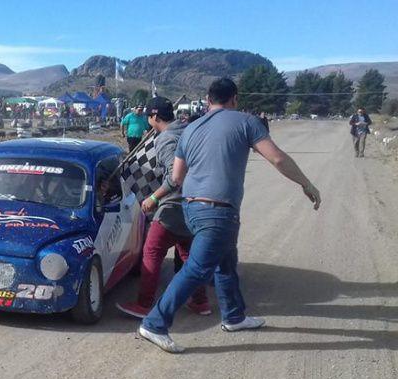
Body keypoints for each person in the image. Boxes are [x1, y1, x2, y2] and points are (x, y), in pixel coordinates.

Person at [138, 77, 322, 353]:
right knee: (197, 269)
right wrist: (306, 183)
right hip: (218, 209)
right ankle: (154, 323)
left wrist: (154, 197)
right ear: (235, 99)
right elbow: (277, 158)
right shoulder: (246, 121)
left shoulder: (191, 128)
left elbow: (176, 177)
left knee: (225, 262)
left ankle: (234, 316)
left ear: (208, 100)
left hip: (191, 207)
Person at [116, 97, 211, 319]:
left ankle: (144, 304)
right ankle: (200, 302)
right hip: (195, 202)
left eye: (148, 116)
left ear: (155, 117)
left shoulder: (167, 139)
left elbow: (175, 177)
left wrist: (153, 198)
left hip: (174, 205)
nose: (147, 120)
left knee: (151, 252)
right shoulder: (186, 130)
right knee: (188, 255)